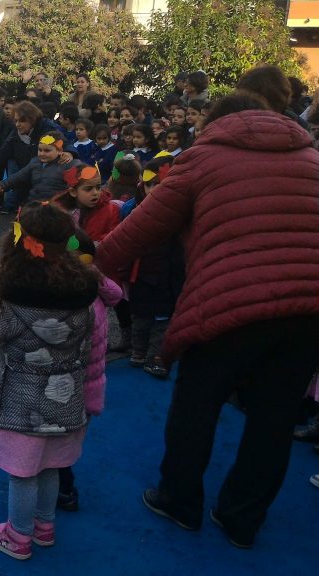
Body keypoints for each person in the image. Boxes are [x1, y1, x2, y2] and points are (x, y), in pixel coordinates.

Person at [96, 90, 319, 549]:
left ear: (215, 122)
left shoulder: (203, 159)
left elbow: (136, 232)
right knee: (274, 418)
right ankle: (242, 517)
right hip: (308, 308)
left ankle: (179, 500)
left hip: (227, 303)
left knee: (197, 404)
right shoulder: (311, 160)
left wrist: (82, 258)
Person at [0, 202, 100, 561]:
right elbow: (88, 348)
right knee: (51, 467)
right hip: (66, 400)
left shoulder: (9, 299)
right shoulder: (83, 297)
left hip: (20, 403)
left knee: (22, 474)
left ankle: (18, 535)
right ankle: (44, 526)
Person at [55, 230, 123, 513]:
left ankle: (63, 490)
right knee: (70, 440)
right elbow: (117, 294)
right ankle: (64, 485)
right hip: (92, 384)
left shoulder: (70, 297)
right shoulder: (96, 290)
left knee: (56, 443)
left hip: (68, 384)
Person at [118, 155, 184, 378]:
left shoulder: (180, 213)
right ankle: (138, 350)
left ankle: (156, 356)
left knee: (163, 318)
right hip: (141, 273)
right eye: (149, 184)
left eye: (159, 184)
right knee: (140, 314)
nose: (154, 189)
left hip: (168, 273)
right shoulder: (133, 210)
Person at [0, 101, 70, 214]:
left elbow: (65, 143)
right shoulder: (17, 133)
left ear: (32, 119)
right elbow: (1, 154)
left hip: (48, 178)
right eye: (15, 121)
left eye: (22, 121)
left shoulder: (47, 127)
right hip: (27, 170)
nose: (17, 124)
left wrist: (69, 153)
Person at [0, 132, 76, 205]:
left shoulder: (67, 164)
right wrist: (2, 186)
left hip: (57, 207)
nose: (42, 153)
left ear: (59, 151)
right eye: (40, 150)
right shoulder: (35, 162)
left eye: (47, 151)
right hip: (35, 205)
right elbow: (19, 176)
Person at [53, 163, 119, 243]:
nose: (95, 193)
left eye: (98, 187)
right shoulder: (59, 210)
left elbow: (113, 236)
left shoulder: (111, 210)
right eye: (88, 189)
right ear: (73, 192)